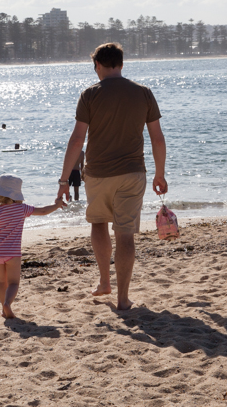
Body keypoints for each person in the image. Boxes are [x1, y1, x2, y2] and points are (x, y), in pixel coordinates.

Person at [57, 42, 167, 311]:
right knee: (125, 234)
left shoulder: (90, 95)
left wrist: (63, 180)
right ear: (121, 64)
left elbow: (76, 140)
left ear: (97, 65)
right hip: (133, 172)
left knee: (98, 224)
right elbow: (157, 138)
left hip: (97, 174)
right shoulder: (143, 93)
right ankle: (122, 299)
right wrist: (160, 173)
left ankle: (105, 281)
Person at [0, 175, 64, 319]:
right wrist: (57, 205)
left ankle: (3, 308)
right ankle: (7, 304)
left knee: (2, 281)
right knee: (14, 283)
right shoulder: (21, 209)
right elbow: (42, 211)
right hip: (13, 253)